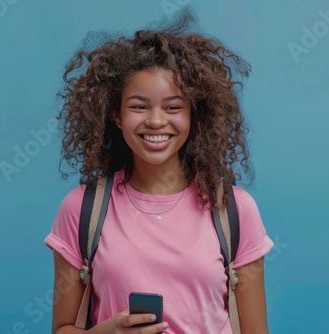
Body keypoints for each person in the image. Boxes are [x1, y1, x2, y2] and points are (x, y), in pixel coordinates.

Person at [44, 12, 274, 334]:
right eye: (139, 106)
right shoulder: (83, 210)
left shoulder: (234, 210)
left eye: (173, 107)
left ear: (195, 114)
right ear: (117, 115)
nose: (155, 121)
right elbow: (62, 329)